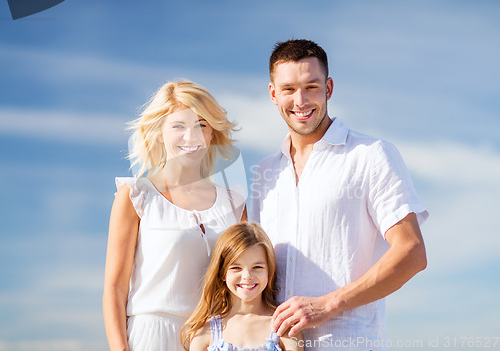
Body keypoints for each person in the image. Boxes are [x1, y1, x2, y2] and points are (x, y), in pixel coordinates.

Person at [250, 39, 429, 351]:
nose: (301, 100)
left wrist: (326, 305)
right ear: (273, 94)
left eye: (312, 87)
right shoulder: (263, 174)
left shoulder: (371, 155)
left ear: (329, 88)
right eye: (289, 89)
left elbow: (412, 252)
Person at [103, 80, 246, 351]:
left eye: (201, 125)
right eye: (178, 126)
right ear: (159, 133)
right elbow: (115, 288)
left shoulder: (234, 202)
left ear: (212, 134)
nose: (190, 137)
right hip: (151, 336)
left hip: (215, 338)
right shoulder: (136, 196)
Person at [182, 221, 303, 351]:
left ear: (269, 271)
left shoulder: (285, 327)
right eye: (236, 267)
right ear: (222, 273)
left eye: (257, 267)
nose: (247, 276)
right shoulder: (205, 332)